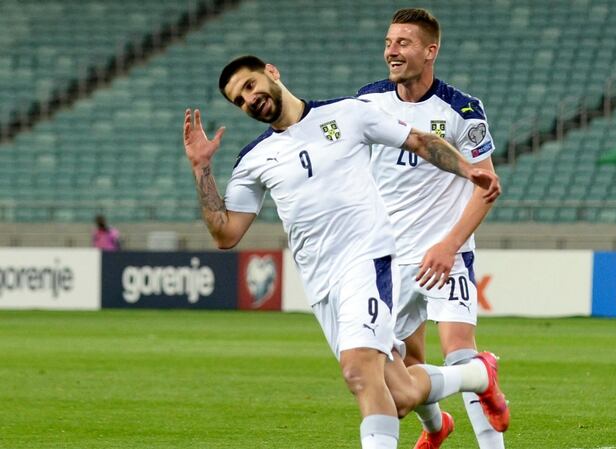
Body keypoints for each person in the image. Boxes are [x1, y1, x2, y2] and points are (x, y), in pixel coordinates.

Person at [182, 55, 509, 449]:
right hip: (321, 286)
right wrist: (202, 169)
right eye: (239, 100)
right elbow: (226, 234)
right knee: (400, 394)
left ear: (271, 72)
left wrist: (467, 169)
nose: (249, 100)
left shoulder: (349, 113)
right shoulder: (253, 160)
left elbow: (420, 140)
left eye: (250, 86)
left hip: (366, 261)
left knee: (358, 373)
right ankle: (477, 377)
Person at [357, 9, 506, 449]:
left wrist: (449, 244)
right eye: (388, 42)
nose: (392, 51)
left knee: (460, 349)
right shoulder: (366, 102)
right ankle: (436, 426)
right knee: (401, 370)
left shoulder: (462, 109)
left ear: (430, 50)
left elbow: (486, 186)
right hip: (387, 256)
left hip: (446, 251)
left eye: (403, 43)